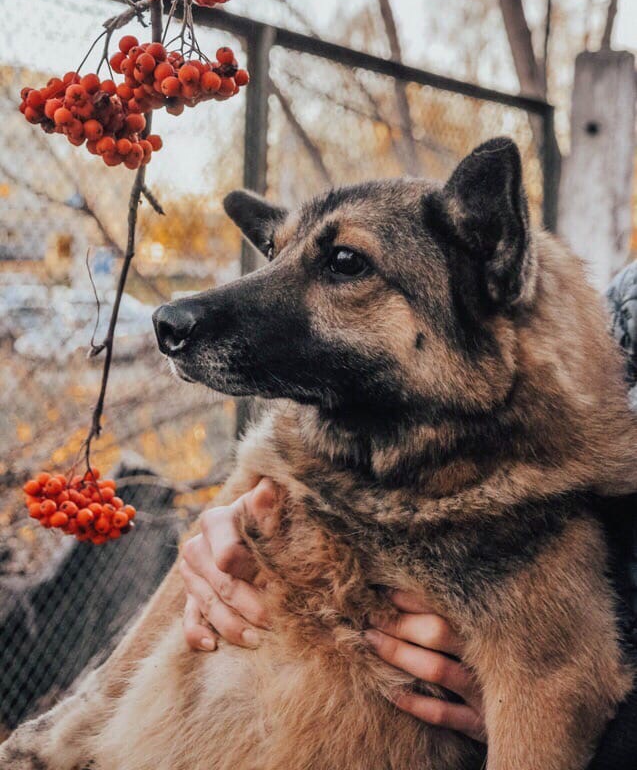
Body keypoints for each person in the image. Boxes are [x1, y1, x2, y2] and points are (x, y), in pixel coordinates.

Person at [181, 260, 637, 765]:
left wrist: (535, 720)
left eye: (345, 267)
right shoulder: (620, 316)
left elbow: (564, 685)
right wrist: (220, 533)